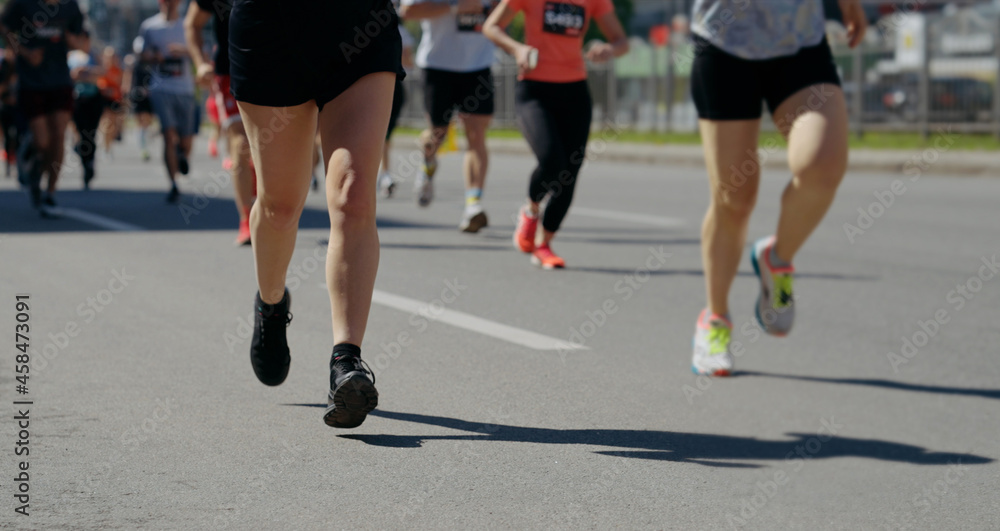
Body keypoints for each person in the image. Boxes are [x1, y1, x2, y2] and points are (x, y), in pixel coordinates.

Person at [229, 0, 402, 428]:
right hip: (271, 32)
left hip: (360, 21)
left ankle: (346, 361)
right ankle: (271, 305)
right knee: (281, 207)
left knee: (353, 194)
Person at [685, 0, 866, 376]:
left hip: (799, 40)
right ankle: (714, 319)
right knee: (734, 199)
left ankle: (777, 259)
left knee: (823, 163)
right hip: (724, 41)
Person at [484, 0, 628, 269]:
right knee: (552, 160)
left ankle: (544, 243)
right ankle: (531, 210)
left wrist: (608, 49)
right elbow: (491, 27)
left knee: (570, 172)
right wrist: (518, 49)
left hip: (575, 92)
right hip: (534, 91)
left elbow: (622, 42)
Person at [398, 0, 495, 232]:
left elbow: (513, 10)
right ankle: (428, 164)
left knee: (476, 135)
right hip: (437, 65)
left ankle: (473, 204)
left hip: (479, 65)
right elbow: (408, 11)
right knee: (437, 134)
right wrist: (455, 8)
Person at [0, 0, 86, 211]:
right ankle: (33, 163)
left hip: (60, 80)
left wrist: (73, 42)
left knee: (59, 133)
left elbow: (83, 41)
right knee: (42, 141)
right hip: (31, 82)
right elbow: (4, 27)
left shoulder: (70, 6)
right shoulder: (21, 4)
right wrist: (24, 52)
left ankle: (50, 191)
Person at [186, 0, 256, 245]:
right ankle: (246, 219)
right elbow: (192, 25)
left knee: (271, 146)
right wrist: (200, 62)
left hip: (276, 70)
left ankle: (258, 183)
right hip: (230, 71)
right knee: (241, 142)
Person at [139, 0, 197, 204]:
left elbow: (201, 53)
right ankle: (173, 183)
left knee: (186, 140)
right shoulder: (150, 26)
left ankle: (183, 155)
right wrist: (152, 56)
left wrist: (184, 51)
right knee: (168, 134)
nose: (169, 4)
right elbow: (142, 55)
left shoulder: (188, 25)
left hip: (186, 89)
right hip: (161, 88)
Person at [377, 20, 416, 199]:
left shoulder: (400, 30)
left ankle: (384, 174)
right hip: (364, 86)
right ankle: (382, 174)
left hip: (393, 84)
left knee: (385, 132)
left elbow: (409, 61)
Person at [67, 31, 104, 190]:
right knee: (81, 132)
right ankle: (85, 161)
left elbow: (102, 72)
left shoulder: (95, 56)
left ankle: (89, 161)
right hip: (77, 98)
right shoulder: (71, 56)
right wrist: (78, 75)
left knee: (91, 132)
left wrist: (86, 74)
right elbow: (68, 75)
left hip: (94, 98)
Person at [123, 47, 155, 163]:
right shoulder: (134, 64)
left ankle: (144, 140)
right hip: (136, 95)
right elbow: (128, 78)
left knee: (148, 121)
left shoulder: (152, 64)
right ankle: (142, 147)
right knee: (140, 121)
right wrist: (126, 94)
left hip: (149, 97)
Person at [97, 46, 124, 160]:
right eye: (109, 56)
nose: (112, 59)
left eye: (113, 56)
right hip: (104, 100)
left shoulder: (119, 70)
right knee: (106, 123)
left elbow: (122, 86)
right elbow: (99, 84)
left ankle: (109, 146)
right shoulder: (102, 69)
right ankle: (105, 147)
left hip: (115, 100)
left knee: (113, 125)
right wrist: (106, 89)